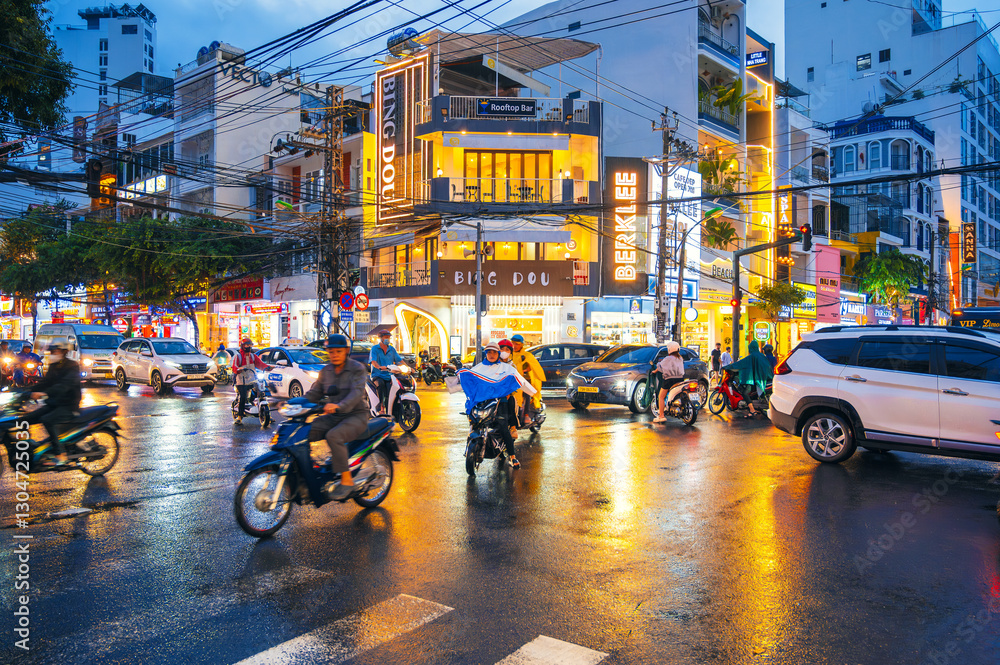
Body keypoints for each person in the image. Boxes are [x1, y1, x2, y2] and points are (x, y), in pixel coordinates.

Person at [306, 334, 370, 500]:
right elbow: (314, 393)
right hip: (333, 416)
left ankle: (347, 480)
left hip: (355, 415)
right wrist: (292, 404)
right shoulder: (325, 371)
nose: (334, 354)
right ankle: (307, 472)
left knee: (334, 435)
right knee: (303, 432)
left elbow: (356, 393)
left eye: (338, 351)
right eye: (331, 351)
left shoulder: (357, 368)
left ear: (346, 351)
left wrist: (338, 406)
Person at [459, 340, 536, 469]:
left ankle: (512, 456)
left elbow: (517, 380)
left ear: (498, 354)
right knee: (474, 421)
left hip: (501, 403)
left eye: (494, 352)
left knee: (502, 426)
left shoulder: (506, 368)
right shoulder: (478, 368)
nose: (492, 355)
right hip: (482, 403)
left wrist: (530, 391)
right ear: (486, 353)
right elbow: (471, 380)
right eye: (489, 352)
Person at [28, 343, 81, 467]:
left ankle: (60, 455)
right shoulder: (53, 366)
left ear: (63, 352)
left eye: (55, 352)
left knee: (47, 420)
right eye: (51, 352)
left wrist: (43, 393)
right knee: (29, 418)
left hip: (69, 405)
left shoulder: (72, 366)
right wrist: (27, 392)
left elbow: (64, 386)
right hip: (54, 403)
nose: (52, 354)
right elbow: (46, 382)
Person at [722, 340, 773, 418]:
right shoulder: (762, 356)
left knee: (745, 393)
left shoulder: (752, 356)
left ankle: (752, 410)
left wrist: (726, 367)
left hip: (756, 379)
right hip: (767, 378)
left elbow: (740, 364)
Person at [231, 338, 270, 424]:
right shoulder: (238, 357)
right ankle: (240, 417)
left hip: (253, 379)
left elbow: (260, 364)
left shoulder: (253, 356)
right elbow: (234, 367)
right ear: (243, 346)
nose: (249, 347)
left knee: (261, 392)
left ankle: (266, 414)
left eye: (250, 345)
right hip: (242, 381)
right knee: (243, 397)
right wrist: (239, 369)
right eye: (247, 345)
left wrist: (268, 367)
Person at [510, 334, 545, 426]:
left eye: (517, 344)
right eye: (513, 343)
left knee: (526, 393)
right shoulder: (509, 355)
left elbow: (533, 367)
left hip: (524, 380)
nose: (514, 346)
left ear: (521, 344)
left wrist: (523, 370)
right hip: (511, 380)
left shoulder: (526, 355)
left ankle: (526, 414)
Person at [369, 330, 403, 415]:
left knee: (394, 388)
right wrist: (379, 367)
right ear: (381, 338)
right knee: (381, 385)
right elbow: (373, 361)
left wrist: (409, 368)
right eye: (386, 337)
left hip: (390, 375)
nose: (388, 339)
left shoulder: (392, 349)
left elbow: (399, 360)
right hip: (378, 375)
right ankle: (381, 407)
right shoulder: (375, 348)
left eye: (389, 337)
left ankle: (392, 409)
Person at [652, 341, 686, 423]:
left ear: (669, 350)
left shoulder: (667, 359)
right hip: (680, 379)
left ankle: (661, 416)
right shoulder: (680, 358)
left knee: (661, 396)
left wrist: (654, 371)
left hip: (669, 380)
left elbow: (660, 366)